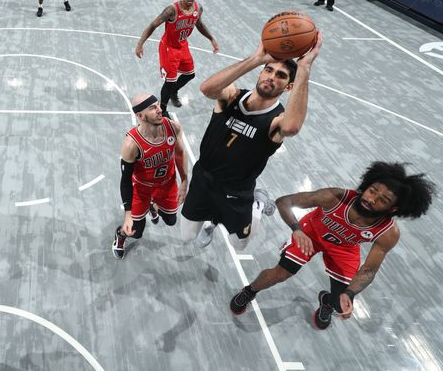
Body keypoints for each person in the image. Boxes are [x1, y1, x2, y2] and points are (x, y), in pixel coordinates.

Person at [229, 162, 435, 329]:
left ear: (393, 208)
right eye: (372, 191)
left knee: (340, 302)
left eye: (383, 200)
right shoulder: (335, 197)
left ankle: (327, 301)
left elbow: (370, 269)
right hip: (311, 232)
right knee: (280, 274)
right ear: (367, 185)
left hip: (345, 247)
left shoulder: (389, 233)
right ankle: (250, 291)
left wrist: (351, 293)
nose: (372, 200)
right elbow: (284, 202)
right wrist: (297, 230)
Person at [179, 32, 323, 251]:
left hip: (237, 189)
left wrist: (303, 68)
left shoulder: (278, 119)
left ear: (288, 87)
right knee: (187, 237)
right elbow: (207, 89)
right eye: (269, 70)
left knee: (239, 244)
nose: (272, 77)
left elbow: (292, 127)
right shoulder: (233, 96)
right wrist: (257, 59)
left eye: (281, 76)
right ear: (261, 72)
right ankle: (213, 219)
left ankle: (257, 204)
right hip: (204, 177)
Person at [112, 94, 188, 259]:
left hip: (167, 185)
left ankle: (152, 206)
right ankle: (120, 236)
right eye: (153, 108)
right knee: (135, 232)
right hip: (141, 189)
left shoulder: (173, 127)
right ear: (139, 116)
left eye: (158, 105)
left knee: (170, 220)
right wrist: (128, 215)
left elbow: (180, 153)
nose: (160, 110)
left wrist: (184, 181)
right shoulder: (131, 145)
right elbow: (125, 181)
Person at [134, 0, 219, 115]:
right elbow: (152, 25)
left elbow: (199, 24)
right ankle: (163, 109)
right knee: (169, 81)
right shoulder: (171, 10)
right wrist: (140, 44)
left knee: (190, 74)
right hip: (169, 48)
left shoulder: (198, 8)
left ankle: (174, 91)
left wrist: (211, 39)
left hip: (182, 45)